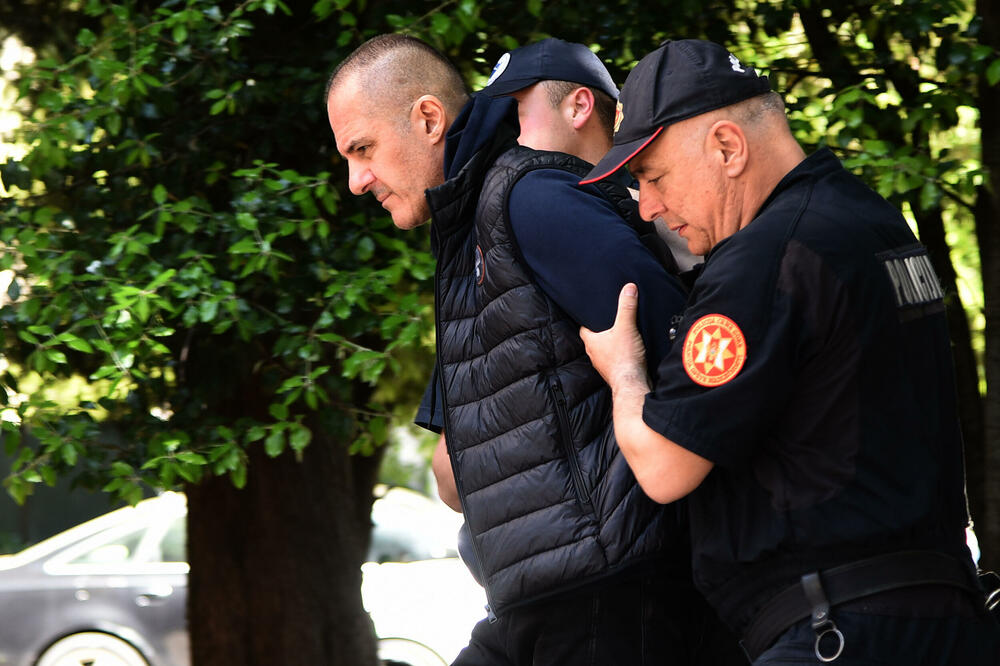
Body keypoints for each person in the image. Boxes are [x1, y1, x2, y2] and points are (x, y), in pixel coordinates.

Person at [578, 38, 1000, 664]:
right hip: (943, 622)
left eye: (654, 177)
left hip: (839, 630)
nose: (649, 209)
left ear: (727, 146)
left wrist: (624, 370)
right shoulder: (874, 221)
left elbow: (664, 468)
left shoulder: (764, 258)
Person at [327, 34, 742, 665]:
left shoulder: (530, 197)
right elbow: (449, 467)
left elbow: (685, 350)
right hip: (536, 597)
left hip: (609, 591)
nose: (357, 181)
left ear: (429, 119)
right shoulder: (470, 227)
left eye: (363, 150)